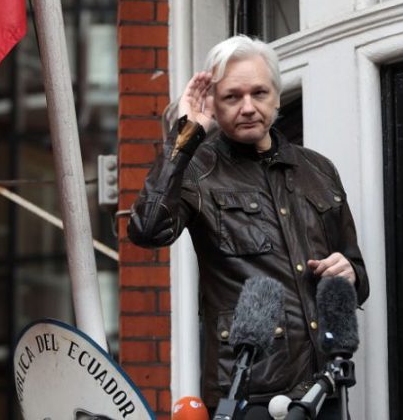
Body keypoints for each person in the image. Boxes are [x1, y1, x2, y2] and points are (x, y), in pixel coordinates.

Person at [128, 35, 369, 419]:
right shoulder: (197, 171)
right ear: (213, 103)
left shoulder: (318, 170)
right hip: (247, 390)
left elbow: (358, 274)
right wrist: (185, 135)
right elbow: (146, 230)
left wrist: (349, 273)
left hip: (323, 384)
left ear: (277, 95)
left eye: (259, 93)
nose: (248, 107)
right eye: (232, 97)